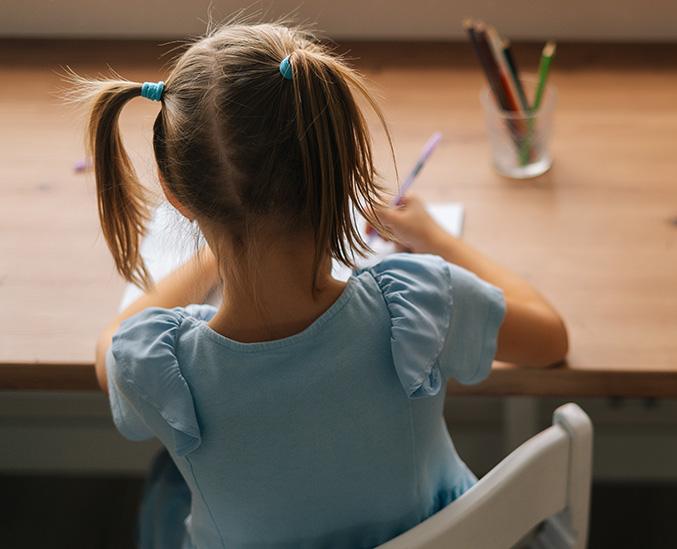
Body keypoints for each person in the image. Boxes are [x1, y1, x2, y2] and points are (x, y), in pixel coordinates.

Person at [74, 22, 568, 548]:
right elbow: (549, 338)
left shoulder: (155, 363)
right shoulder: (418, 305)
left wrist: (222, 253)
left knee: (165, 488)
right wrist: (436, 238)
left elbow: (110, 348)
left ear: (177, 195)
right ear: (342, 163)